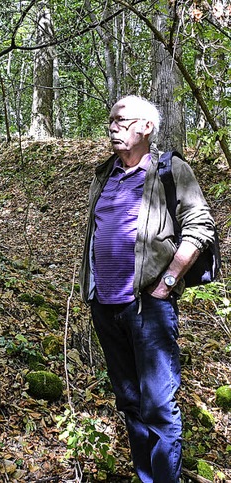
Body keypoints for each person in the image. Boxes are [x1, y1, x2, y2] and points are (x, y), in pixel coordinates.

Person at [79, 95, 216, 483]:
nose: (113, 126)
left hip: (149, 308)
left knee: (158, 406)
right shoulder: (103, 174)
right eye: (111, 120)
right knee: (130, 403)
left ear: (146, 127)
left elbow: (200, 227)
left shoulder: (170, 170)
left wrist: (168, 281)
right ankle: (147, 477)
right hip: (105, 306)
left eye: (122, 120)